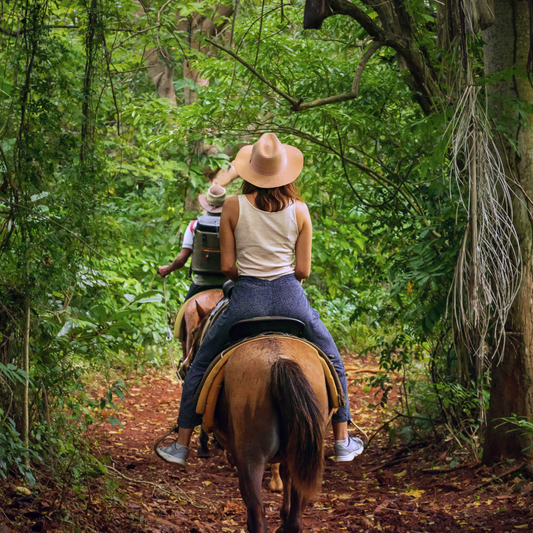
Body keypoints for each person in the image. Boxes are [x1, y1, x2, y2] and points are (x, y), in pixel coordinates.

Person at [156, 133, 363, 466]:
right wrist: (280, 282)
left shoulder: (234, 206)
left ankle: (181, 444)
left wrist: (249, 280)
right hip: (290, 298)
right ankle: (342, 440)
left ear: (251, 172)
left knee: (199, 362)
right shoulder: (300, 210)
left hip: (246, 300)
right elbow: (304, 270)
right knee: (333, 358)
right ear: (285, 172)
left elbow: (226, 267)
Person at [158, 184, 228, 299]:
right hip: (226, 284)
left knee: (182, 315)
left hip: (201, 284)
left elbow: (181, 259)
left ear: (207, 203)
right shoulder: (233, 226)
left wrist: (168, 269)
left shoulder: (194, 226)